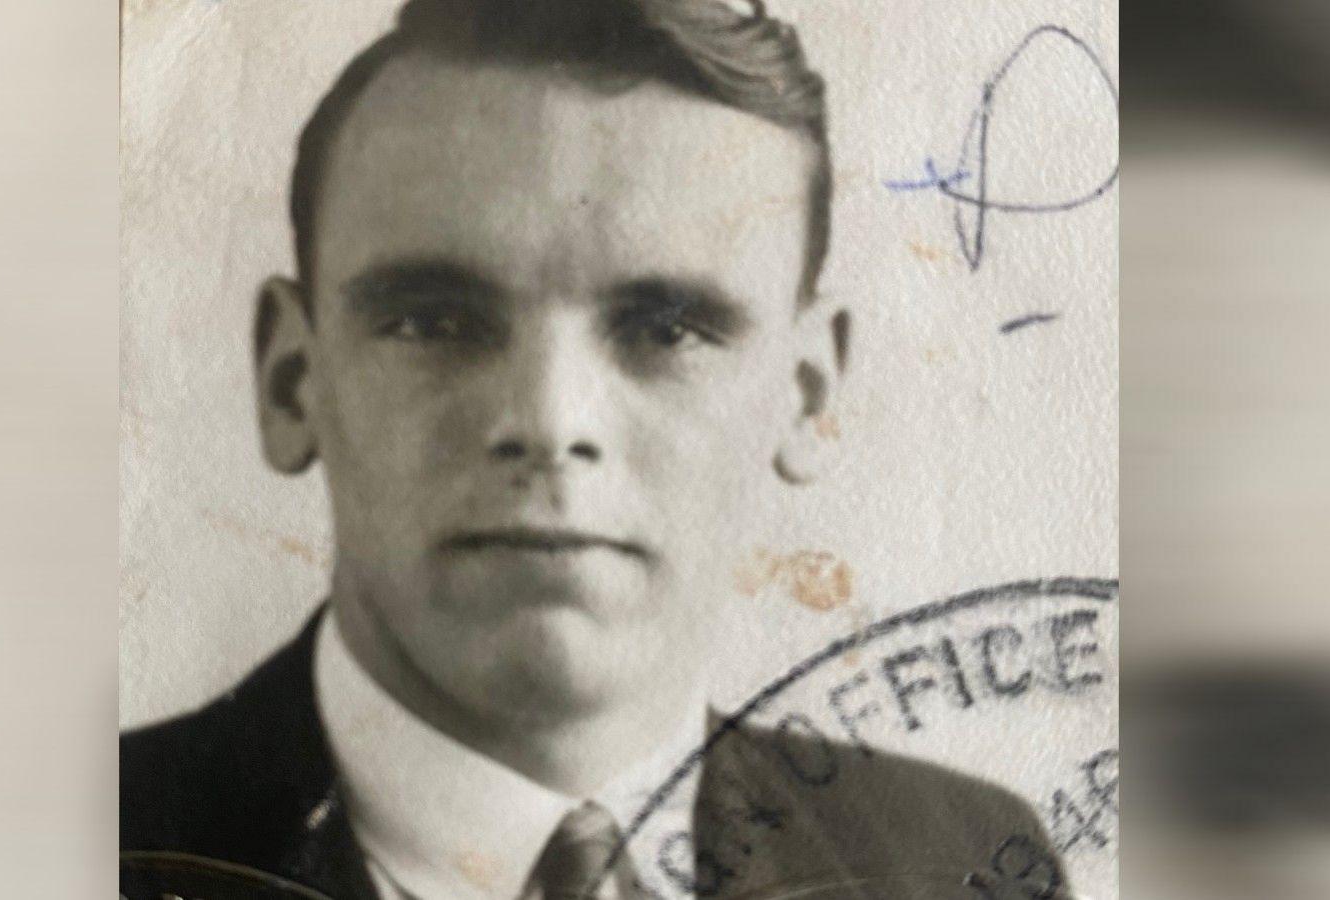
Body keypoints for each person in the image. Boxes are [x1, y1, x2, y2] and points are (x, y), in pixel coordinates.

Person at [121, 1, 1070, 897]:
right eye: (435, 320)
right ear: (292, 380)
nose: (548, 419)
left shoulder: (956, 863)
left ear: (807, 395)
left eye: (666, 328)